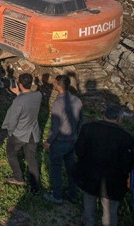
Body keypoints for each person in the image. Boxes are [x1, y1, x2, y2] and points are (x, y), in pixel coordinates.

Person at [74, 104, 133, 226]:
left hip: (89, 176)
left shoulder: (88, 128)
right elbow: (126, 164)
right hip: (112, 183)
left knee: (88, 207)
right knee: (109, 214)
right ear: (119, 119)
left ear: (104, 115)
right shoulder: (126, 138)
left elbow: (79, 150)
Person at [43, 74, 83, 204]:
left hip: (60, 141)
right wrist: (76, 136)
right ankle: (73, 193)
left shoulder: (58, 103)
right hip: (72, 140)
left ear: (58, 85)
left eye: (54, 83)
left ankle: (57, 195)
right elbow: (81, 121)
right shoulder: (77, 100)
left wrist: (49, 141)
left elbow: (55, 126)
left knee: (56, 168)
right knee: (71, 167)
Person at [1, 73, 42, 194]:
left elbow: (13, 119)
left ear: (19, 84)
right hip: (33, 133)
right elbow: (27, 100)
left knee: (11, 153)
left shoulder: (18, 102)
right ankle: (35, 187)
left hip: (19, 133)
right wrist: (18, 93)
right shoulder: (38, 95)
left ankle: (18, 177)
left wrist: (10, 131)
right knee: (31, 159)